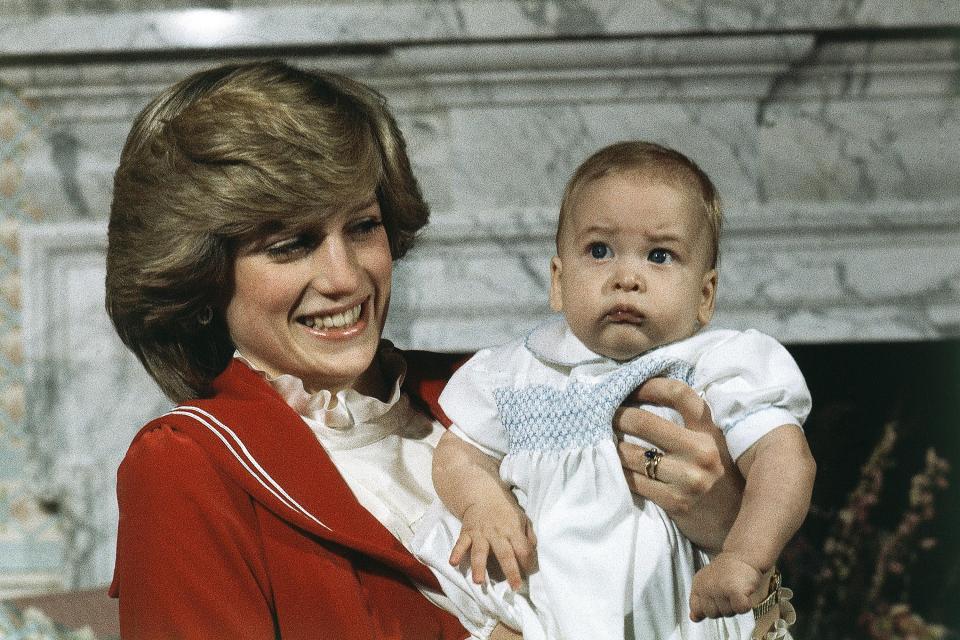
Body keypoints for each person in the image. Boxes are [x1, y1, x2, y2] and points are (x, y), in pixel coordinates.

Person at [104, 60, 770, 639]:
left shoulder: (493, 386)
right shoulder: (186, 465)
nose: (345, 277)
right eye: (290, 244)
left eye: (362, 227)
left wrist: (721, 523)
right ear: (202, 272)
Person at [414, 141, 816, 639]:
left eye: (660, 255)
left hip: (673, 612)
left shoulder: (717, 367)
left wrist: (745, 556)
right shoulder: (516, 371)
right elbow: (461, 452)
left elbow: (785, 461)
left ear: (705, 295)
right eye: (599, 251)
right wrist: (483, 502)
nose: (626, 277)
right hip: (549, 612)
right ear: (558, 281)